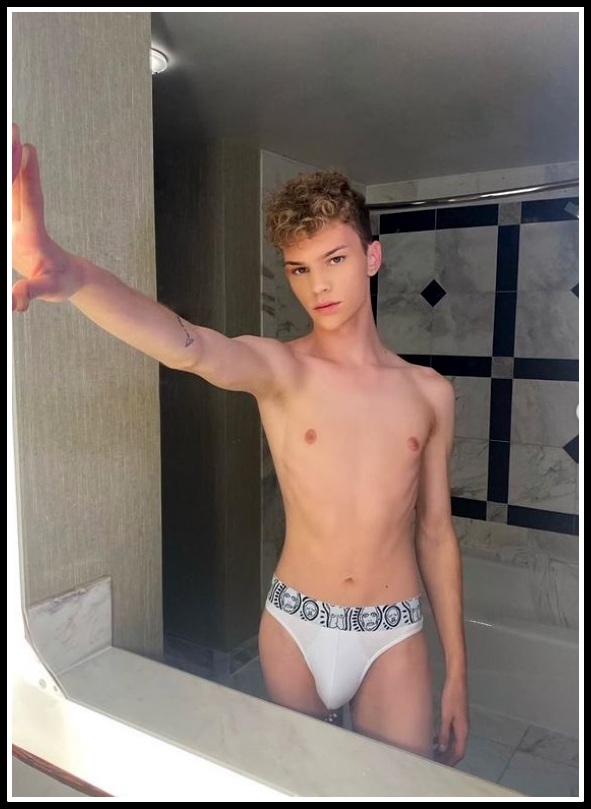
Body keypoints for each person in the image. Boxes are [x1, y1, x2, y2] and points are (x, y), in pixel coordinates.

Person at [11, 123, 469, 766]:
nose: (318, 286)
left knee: (394, 786)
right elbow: (189, 346)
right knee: (300, 783)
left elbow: (436, 534)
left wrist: (457, 674)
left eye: (335, 260)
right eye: (299, 269)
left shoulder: (429, 393)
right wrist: (76, 276)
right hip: (297, 627)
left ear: (371, 257)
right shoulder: (281, 370)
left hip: (393, 635)